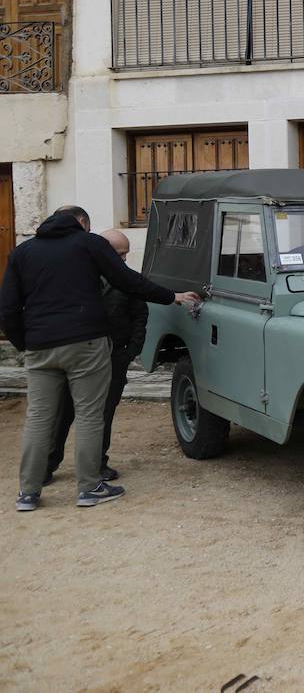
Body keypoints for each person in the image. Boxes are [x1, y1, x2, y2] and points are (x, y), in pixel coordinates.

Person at [0, 206, 200, 511]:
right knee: (91, 415)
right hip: (85, 342)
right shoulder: (88, 244)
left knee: (39, 419)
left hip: (40, 346)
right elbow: (129, 281)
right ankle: (89, 486)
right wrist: (172, 296)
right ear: (81, 223)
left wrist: (25, 343)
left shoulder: (22, 252)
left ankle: (28, 492)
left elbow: (8, 309)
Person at [44, 230, 147, 486]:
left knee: (104, 413)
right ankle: (47, 465)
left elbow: (140, 316)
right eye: (118, 254)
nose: (123, 259)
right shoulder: (76, 277)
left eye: (126, 254)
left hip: (114, 358)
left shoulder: (129, 280)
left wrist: (130, 352)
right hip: (77, 356)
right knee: (62, 412)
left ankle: (97, 464)